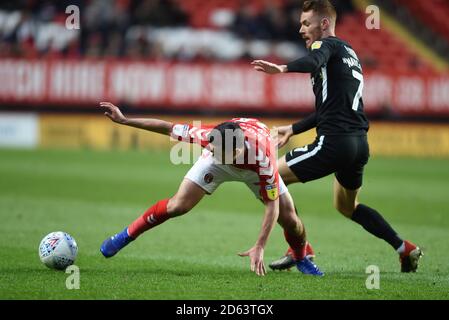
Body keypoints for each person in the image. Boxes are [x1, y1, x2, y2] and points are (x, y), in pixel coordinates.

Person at [251, 0, 422, 273]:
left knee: (269, 179)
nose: (301, 30)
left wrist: (282, 69)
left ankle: (300, 248)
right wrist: (294, 129)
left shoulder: (324, 45)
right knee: (347, 206)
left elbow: (313, 59)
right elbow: (332, 108)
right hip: (358, 144)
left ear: (324, 24)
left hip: (335, 142)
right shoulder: (349, 52)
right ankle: (404, 248)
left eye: (306, 23)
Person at [98, 101, 323, 276]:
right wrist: (125, 120)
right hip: (222, 163)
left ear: (235, 152)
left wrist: (260, 245)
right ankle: (125, 236)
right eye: (211, 147)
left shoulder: (263, 158)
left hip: (252, 169)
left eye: (217, 150)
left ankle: (301, 257)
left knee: (290, 220)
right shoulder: (211, 139)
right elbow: (167, 128)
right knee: (178, 205)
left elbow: (271, 204)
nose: (211, 151)